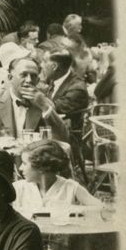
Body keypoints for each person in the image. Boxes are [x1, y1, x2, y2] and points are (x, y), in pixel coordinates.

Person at [0, 57, 69, 144]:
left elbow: (63, 139)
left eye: (33, 76)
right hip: (0, 162)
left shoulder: (45, 104)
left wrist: (44, 106)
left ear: (37, 80)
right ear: (10, 78)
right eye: (23, 75)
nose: (29, 80)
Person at [12, 139, 102, 213]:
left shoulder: (70, 187)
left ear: (41, 167)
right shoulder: (19, 188)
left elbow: (101, 208)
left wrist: (72, 209)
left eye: (24, 163)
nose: (20, 168)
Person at [41, 48, 90, 178]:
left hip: (67, 136)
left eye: (43, 62)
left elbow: (52, 108)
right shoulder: (57, 79)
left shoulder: (76, 88)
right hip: (49, 130)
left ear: (54, 66)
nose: (41, 65)